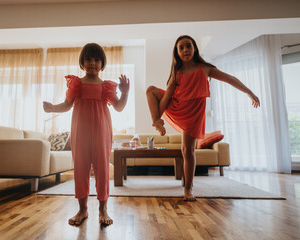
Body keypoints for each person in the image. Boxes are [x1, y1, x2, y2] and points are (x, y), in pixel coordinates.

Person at [146, 35, 260, 201]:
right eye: (181, 47)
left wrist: (249, 92)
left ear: (194, 49)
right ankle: (157, 123)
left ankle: (188, 189)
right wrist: (157, 117)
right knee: (150, 90)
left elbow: (230, 79)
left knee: (188, 151)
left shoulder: (204, 68)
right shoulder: (176, 73)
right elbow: (167, 98)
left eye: (188, 46)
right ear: (177, 52)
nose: (185, 50)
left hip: (194, 113)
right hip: (178, 107)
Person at [43, 43, 129, 225]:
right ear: (82, 62)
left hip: (101, 132)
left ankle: (103, 209)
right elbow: (66, 105)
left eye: (97, 59)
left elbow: (119, 107)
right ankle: (82, 210)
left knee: (103, 169)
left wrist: (125, 93)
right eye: (88, 59)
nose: (92, 63)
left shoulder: (106, 86)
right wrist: (52, 108)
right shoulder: (77, 84)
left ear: (102, 63)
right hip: (80, 131)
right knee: (81, 168)